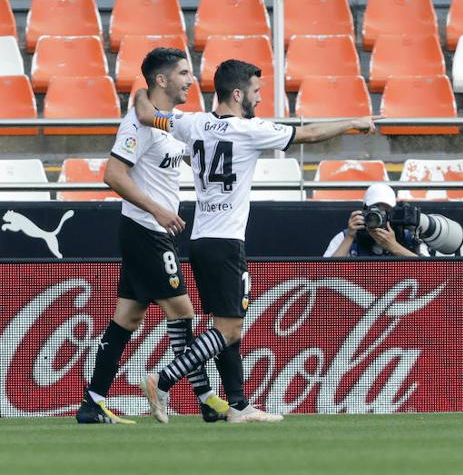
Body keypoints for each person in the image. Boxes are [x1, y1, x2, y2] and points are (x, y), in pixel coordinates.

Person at [133, 59, 377, 424]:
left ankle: (238, 405)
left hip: (200, 241)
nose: (260, 99)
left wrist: (141, 89)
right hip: (227, 242)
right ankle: (163, 379)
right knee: (229, 329)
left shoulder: (192, 122)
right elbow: (307, 134)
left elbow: (145, 112)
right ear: (237, 93)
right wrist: (354, 123)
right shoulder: (250, 130)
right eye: (256, 92)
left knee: (224, 326)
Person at [77, 48, 230, 425]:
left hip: (153, 232)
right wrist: (158, 210)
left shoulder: (168, 122)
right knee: (184, 312)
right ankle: (206, 398)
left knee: (127, 318)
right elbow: (113, 175)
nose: (190, 80)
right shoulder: (137, 125)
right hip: (146, 231)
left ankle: (92, 403)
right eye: (183, 73)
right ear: (161, 80)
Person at [324, 183, 422, 258]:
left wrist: (394, 246)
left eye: (385, 211)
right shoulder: (345, 236)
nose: (379, 216)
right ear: (364, 211)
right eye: (375, 210)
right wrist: (350, 237)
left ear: (393, 213)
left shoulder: (408, 237)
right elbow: (325, 275)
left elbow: (430, 270)